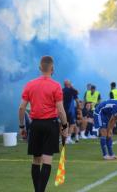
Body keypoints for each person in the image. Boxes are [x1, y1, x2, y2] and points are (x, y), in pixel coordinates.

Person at [18, 55, 68, 192]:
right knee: (47, 160)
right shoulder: (56, 86)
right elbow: (61, 110)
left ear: (40, 68)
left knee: (36, 160)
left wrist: (22, 126)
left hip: (35, 125)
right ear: (52, 68)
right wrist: (65, 126)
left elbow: (21, 108)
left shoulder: (30, 84)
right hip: (50, 125)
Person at [63, 80, 79, 144]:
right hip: (70, 110)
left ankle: (63, 138)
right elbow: (77, 92)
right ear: (69, 84)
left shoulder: (62, 90)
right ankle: (68, 138)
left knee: (64, 124)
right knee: (72, 124)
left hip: (63, 109)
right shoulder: (71, 90)